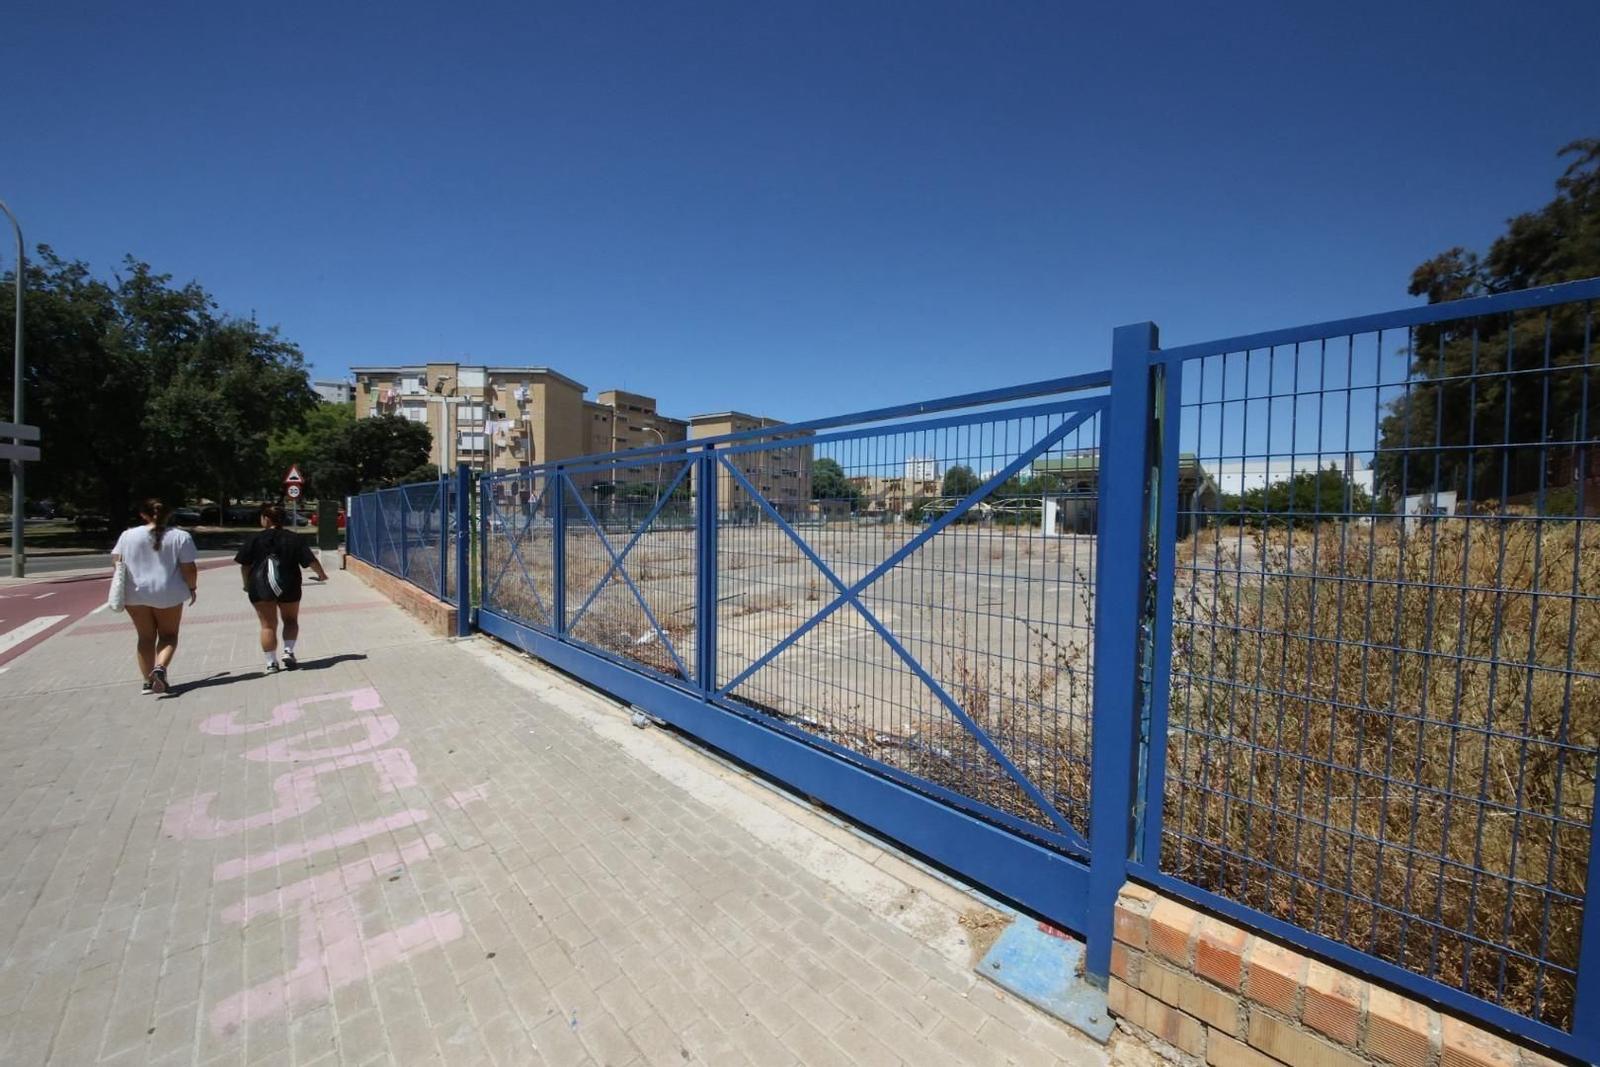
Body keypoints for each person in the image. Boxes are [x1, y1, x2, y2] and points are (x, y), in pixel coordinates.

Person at [111, 499, 199, 694]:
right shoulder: (180, 537)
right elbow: (189, 568)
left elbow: (116, 562)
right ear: (169, 514)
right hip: (169, 593)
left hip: (135, 594)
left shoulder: (127, 536)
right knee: (169, 635)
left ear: (143, 515)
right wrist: (192, 588)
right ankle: (160, 667)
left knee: (145, 638)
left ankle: (146, 682)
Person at [236, 504, 329, 672]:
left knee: (267, 626)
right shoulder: (294, 538)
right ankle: (288, 651)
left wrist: (246, 584)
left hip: (260, 587)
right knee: (290, 620)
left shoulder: (254, 539)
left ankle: (271, 662)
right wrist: (322, 574)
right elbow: (310, 561)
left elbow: (244, 565)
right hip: (289, 585)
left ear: (265, 519)